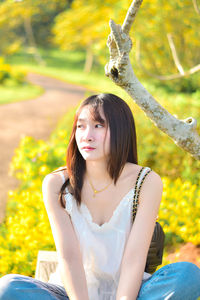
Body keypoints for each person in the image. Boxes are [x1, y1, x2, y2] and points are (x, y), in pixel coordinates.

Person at [0, 93, 200, 300]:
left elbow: (134, 258)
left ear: (121, 130)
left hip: (133, 293)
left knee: (188, 275)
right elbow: (69, 257)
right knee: (8, 287)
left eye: (99, 126)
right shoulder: (57, 184)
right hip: (71, 294)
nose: (87, 135)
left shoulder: (146, 182)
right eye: (81, 126)